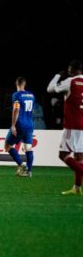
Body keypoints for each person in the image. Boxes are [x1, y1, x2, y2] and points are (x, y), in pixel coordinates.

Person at [47, 60, 83, 195]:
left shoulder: (70, 81)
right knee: (79, 157)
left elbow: (50, 89)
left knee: (63, 155)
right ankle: (77, 188)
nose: (68, 71)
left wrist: (57, 76)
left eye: (69, 69)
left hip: (72, 126)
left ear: (73, 70)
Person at [5, 77, 36, 178]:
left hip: (20, 124)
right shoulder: (31, 95)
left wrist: (13, 125)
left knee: (7, 146)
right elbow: (33, 111)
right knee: (28, 148)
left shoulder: (17, 95)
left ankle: (21, 165)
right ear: (25, 83)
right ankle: (29, 171)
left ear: (16, 83)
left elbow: (16, 109)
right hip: (29, 124)